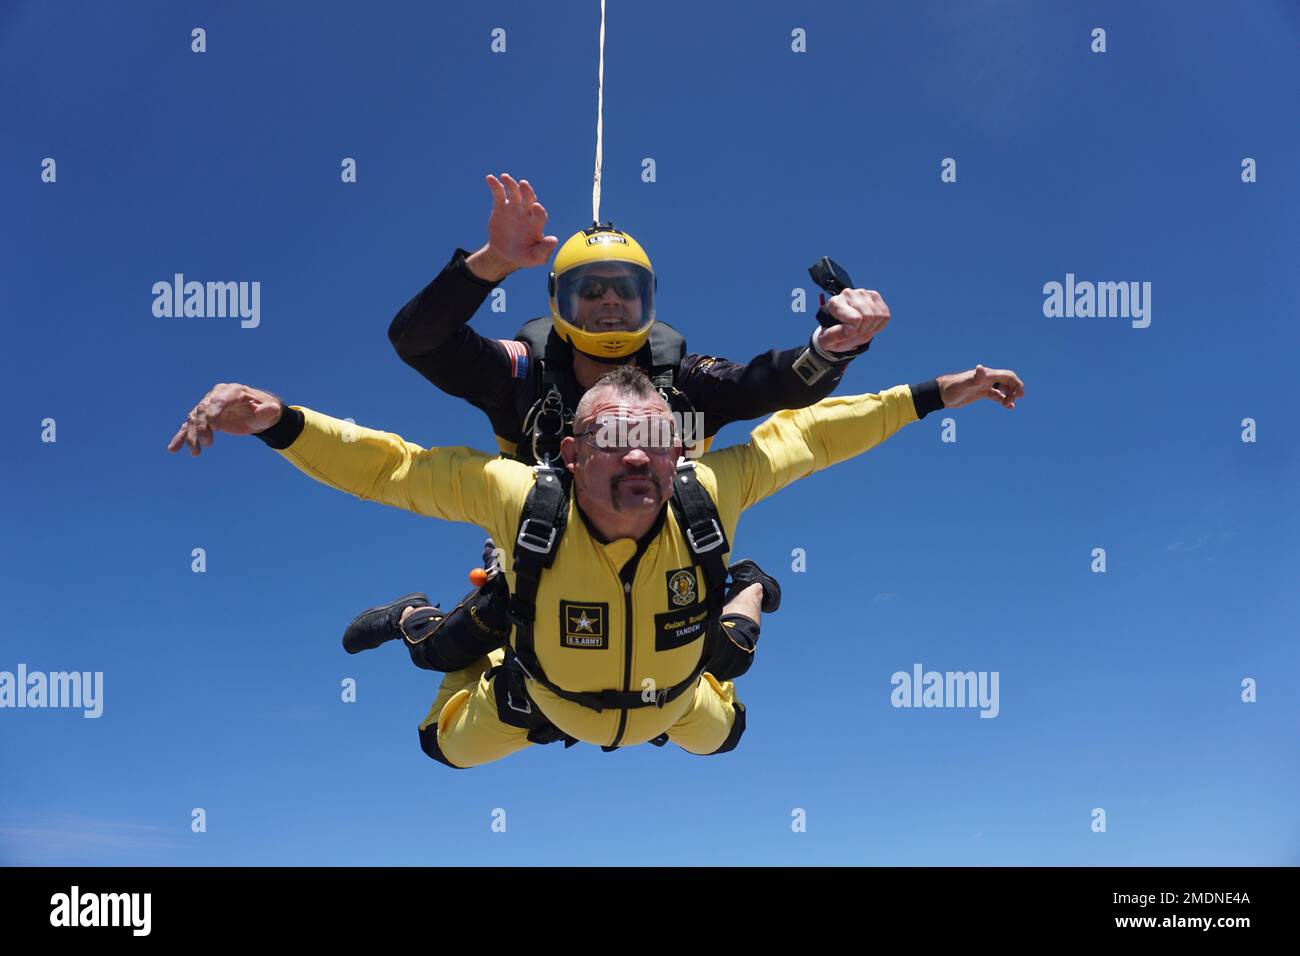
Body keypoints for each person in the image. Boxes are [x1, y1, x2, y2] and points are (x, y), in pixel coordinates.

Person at [167, 362, 1026, 768]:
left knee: (728, 728)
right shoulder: (517, 498)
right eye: (614, 438)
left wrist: (935, 394)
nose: (641, 459)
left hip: (672, 699)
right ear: (572, 452)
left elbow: (815, 435)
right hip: (539, 701)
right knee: (439, 745)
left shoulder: (707, 494)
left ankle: (751, 593)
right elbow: (391, 466)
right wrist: (280, 420)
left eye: (657, 440)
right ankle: (423, 619)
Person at [349, 172, 890, 662]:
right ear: (560, 305)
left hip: (659, 548)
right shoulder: (522, 376)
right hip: (543, 545)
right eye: (590, 291)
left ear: (647, 303)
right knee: (442, 651)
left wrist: (829, 350)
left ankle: (746, 583)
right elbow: (418, 342)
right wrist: (495, 260)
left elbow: (762, 385)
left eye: (625, 290)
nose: (609, 302)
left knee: (723, 664)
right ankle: (411, 615)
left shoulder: (681, 383)